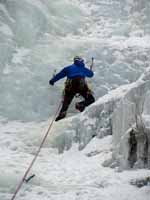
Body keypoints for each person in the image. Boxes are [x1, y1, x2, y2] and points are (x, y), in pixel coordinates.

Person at [49, 56, 95, 121]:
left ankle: (62, 114)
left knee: (66, 101)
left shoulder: (68, 68)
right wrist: (90, 70)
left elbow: (59, 75)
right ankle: (80, 104)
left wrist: (52, 81)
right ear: (81, 61)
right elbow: (91, 75)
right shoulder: (83, 68)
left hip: (70, 85)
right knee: (91, 99)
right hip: (81, 84)